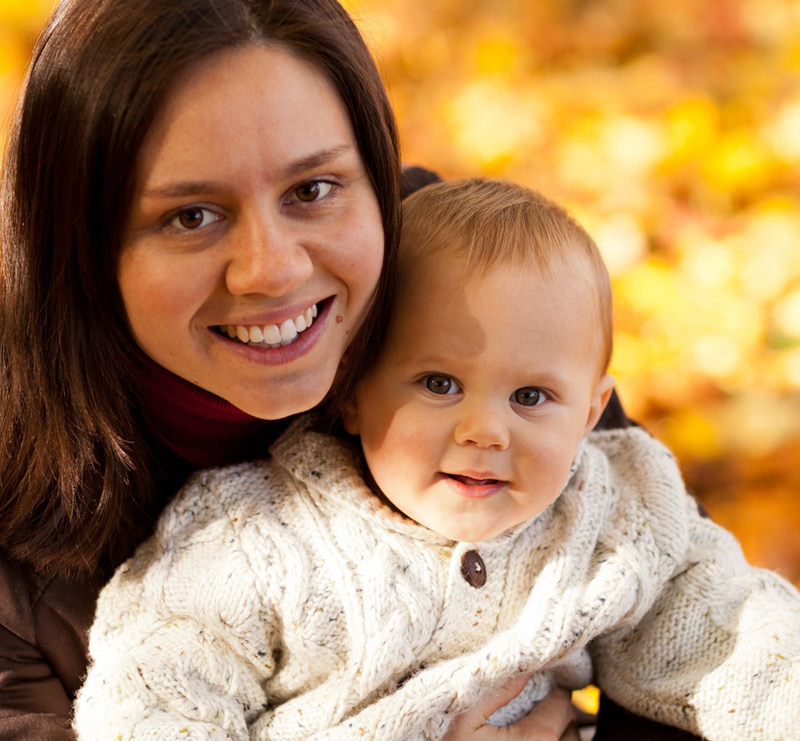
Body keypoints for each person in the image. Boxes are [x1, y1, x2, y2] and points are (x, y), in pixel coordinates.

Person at [73, 178, 800, 740]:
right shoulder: (254, 539)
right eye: (439, 383)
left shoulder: (606, 515)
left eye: (531, 398)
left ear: (592, 411)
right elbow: (154, 699)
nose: (487, 430)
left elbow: (723, 625)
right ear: (351, 389)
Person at [0, 1, 580, 739]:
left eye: (311, 191)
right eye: (191, 217)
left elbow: (695, 627)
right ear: (80, 244)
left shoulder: (469, 289)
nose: (272, 270)